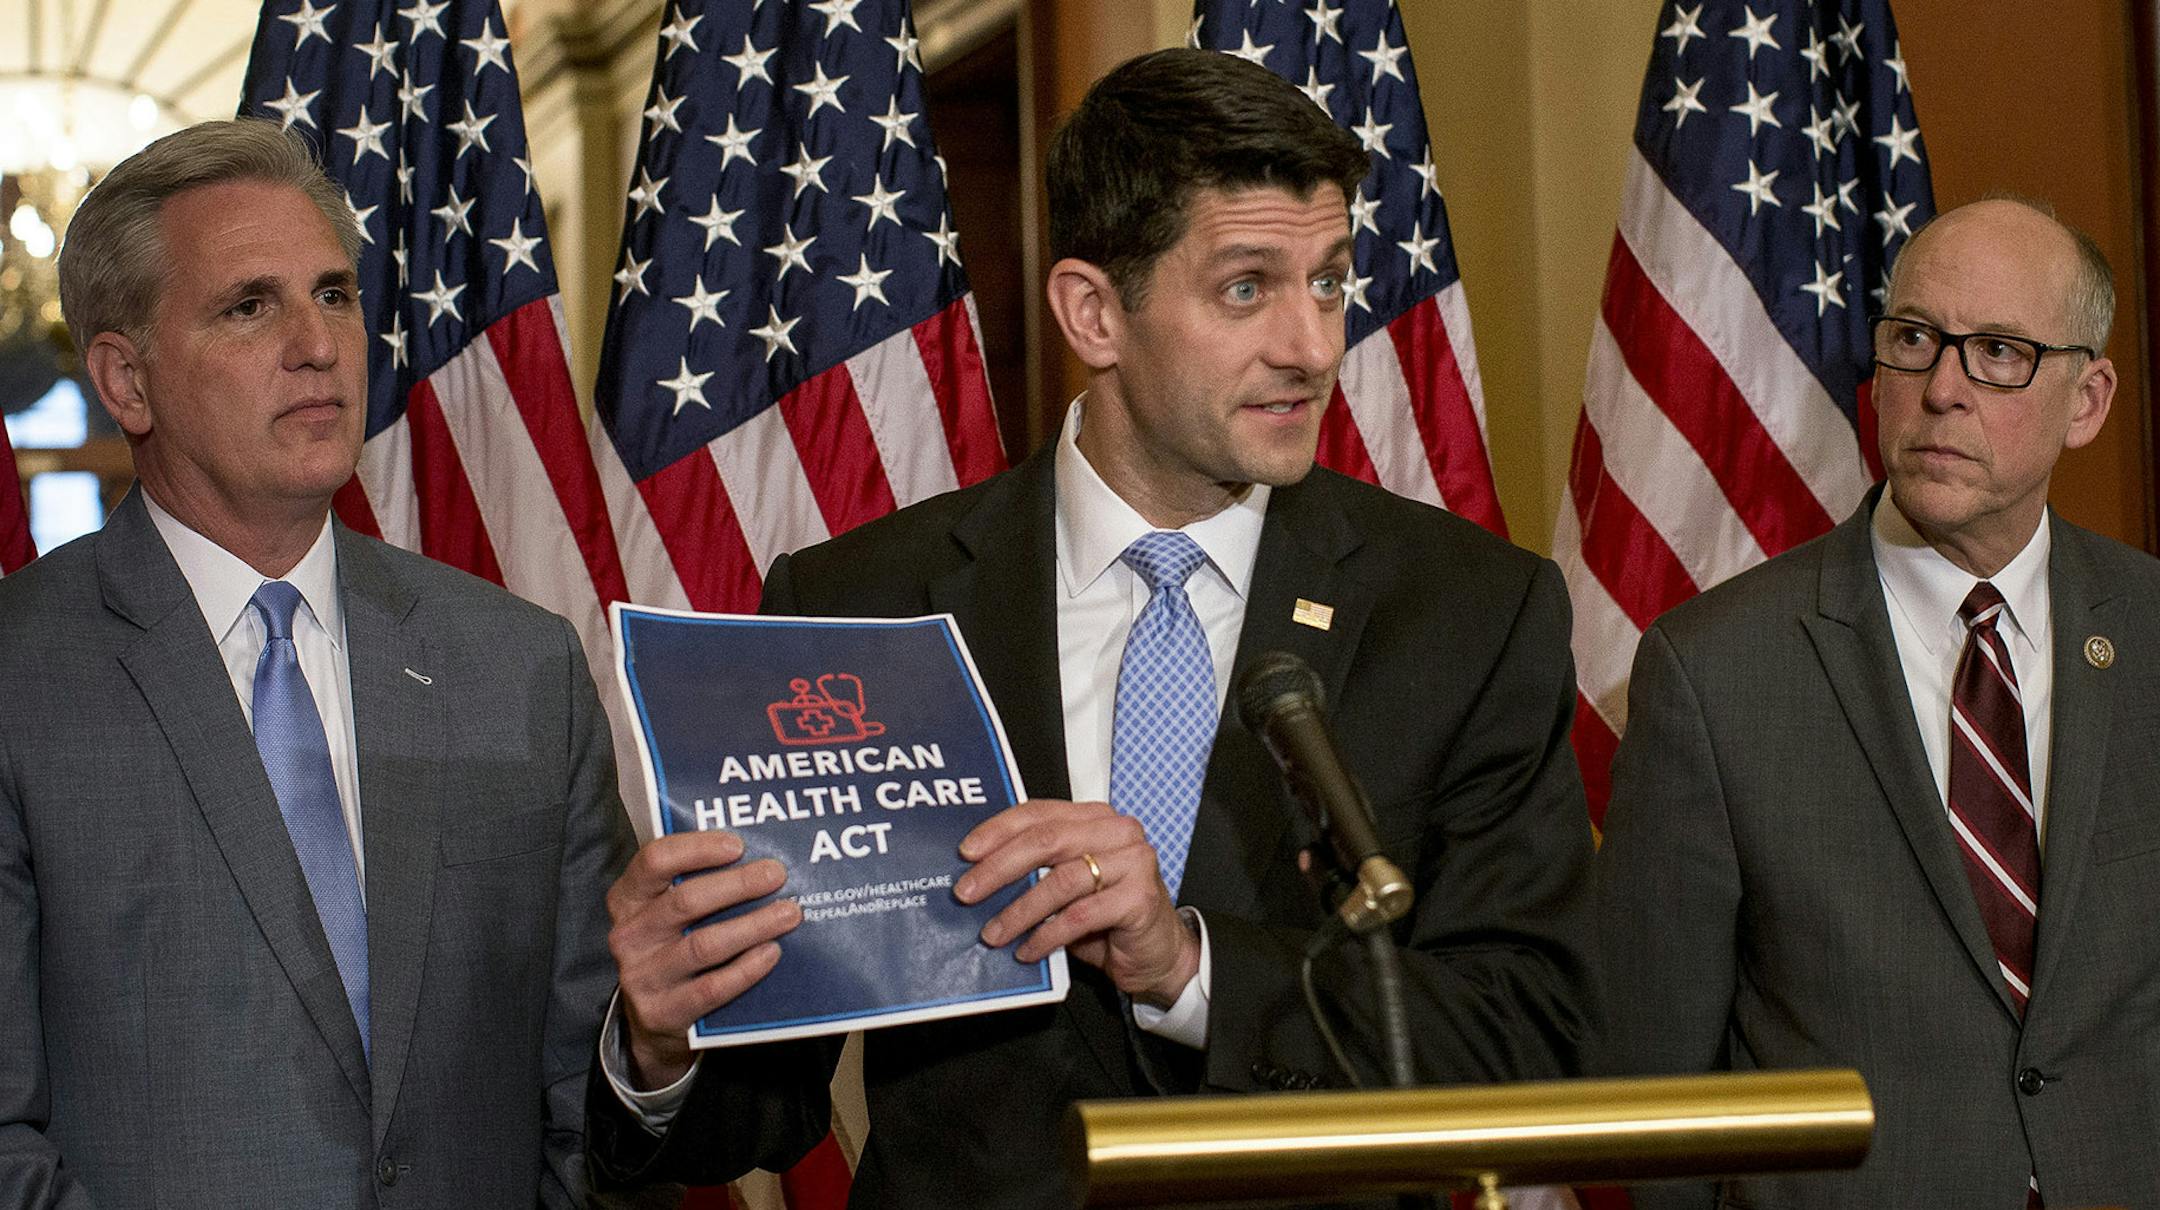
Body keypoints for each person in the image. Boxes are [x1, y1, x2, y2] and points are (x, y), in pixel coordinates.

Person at [588, 48, 1595, 1206]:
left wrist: (1190, 967)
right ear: (1093, 312)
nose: (1315, 347)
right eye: (1246, 288)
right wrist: (662, 1046)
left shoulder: (1468, 608)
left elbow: (1534, 1036)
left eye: (1328, 280)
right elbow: (757, 1105)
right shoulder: (858, 597)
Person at [0, 119, 634, 1206]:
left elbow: (592, 1110)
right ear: (126, 379)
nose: (318, 343)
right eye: (250, 306)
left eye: (335, 294)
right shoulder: (24, 674)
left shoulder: (521, 664)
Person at [1595, 197, 2160, 1208]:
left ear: (2089, 399)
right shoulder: (1715, 670)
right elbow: (1658, 1095)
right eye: (1914, 340)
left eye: (1997, 352)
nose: (1944, 388)